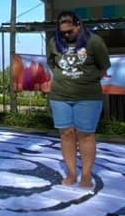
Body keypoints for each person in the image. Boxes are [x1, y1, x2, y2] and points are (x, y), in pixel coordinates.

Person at [47, 10, 110, 188]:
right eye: (63, 33)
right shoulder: (53, 42)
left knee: (85, 135)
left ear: (78, 25)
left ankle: (86, 175)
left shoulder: (94, 41)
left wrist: (85, 80)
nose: (66, 35)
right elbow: (52, 64)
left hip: (88, 96)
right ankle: (72, 173)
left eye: (70, 31)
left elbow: (103, 67)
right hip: (60, 96)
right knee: (66, 134)